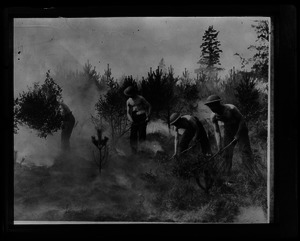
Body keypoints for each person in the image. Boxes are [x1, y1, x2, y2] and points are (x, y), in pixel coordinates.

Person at [204, 94, 258, 180]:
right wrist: (219, 147)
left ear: (218, 103)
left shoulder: (231, 108)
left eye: (213, 106)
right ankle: (226, 177)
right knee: (226, 154)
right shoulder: (213, 116)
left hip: (241, 129)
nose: (212, 109)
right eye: (210, 107)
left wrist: (238, 134)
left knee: (245, 152)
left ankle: (251, 176)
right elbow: (217, 131)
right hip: (228, 131)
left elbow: (242, 120)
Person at [124, 86, 152, 154]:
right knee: (133, 136)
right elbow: (128, 113)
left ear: (133, 93)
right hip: (134, 119)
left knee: (142, 135)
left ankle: (142, 151)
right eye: (128, 95)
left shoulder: (140, 98)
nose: (130, 96)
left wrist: (148, 116)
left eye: (130, 94)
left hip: (142, 117)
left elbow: (149, 106)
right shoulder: (128, 101)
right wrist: (131, 120)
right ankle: (134, 152)